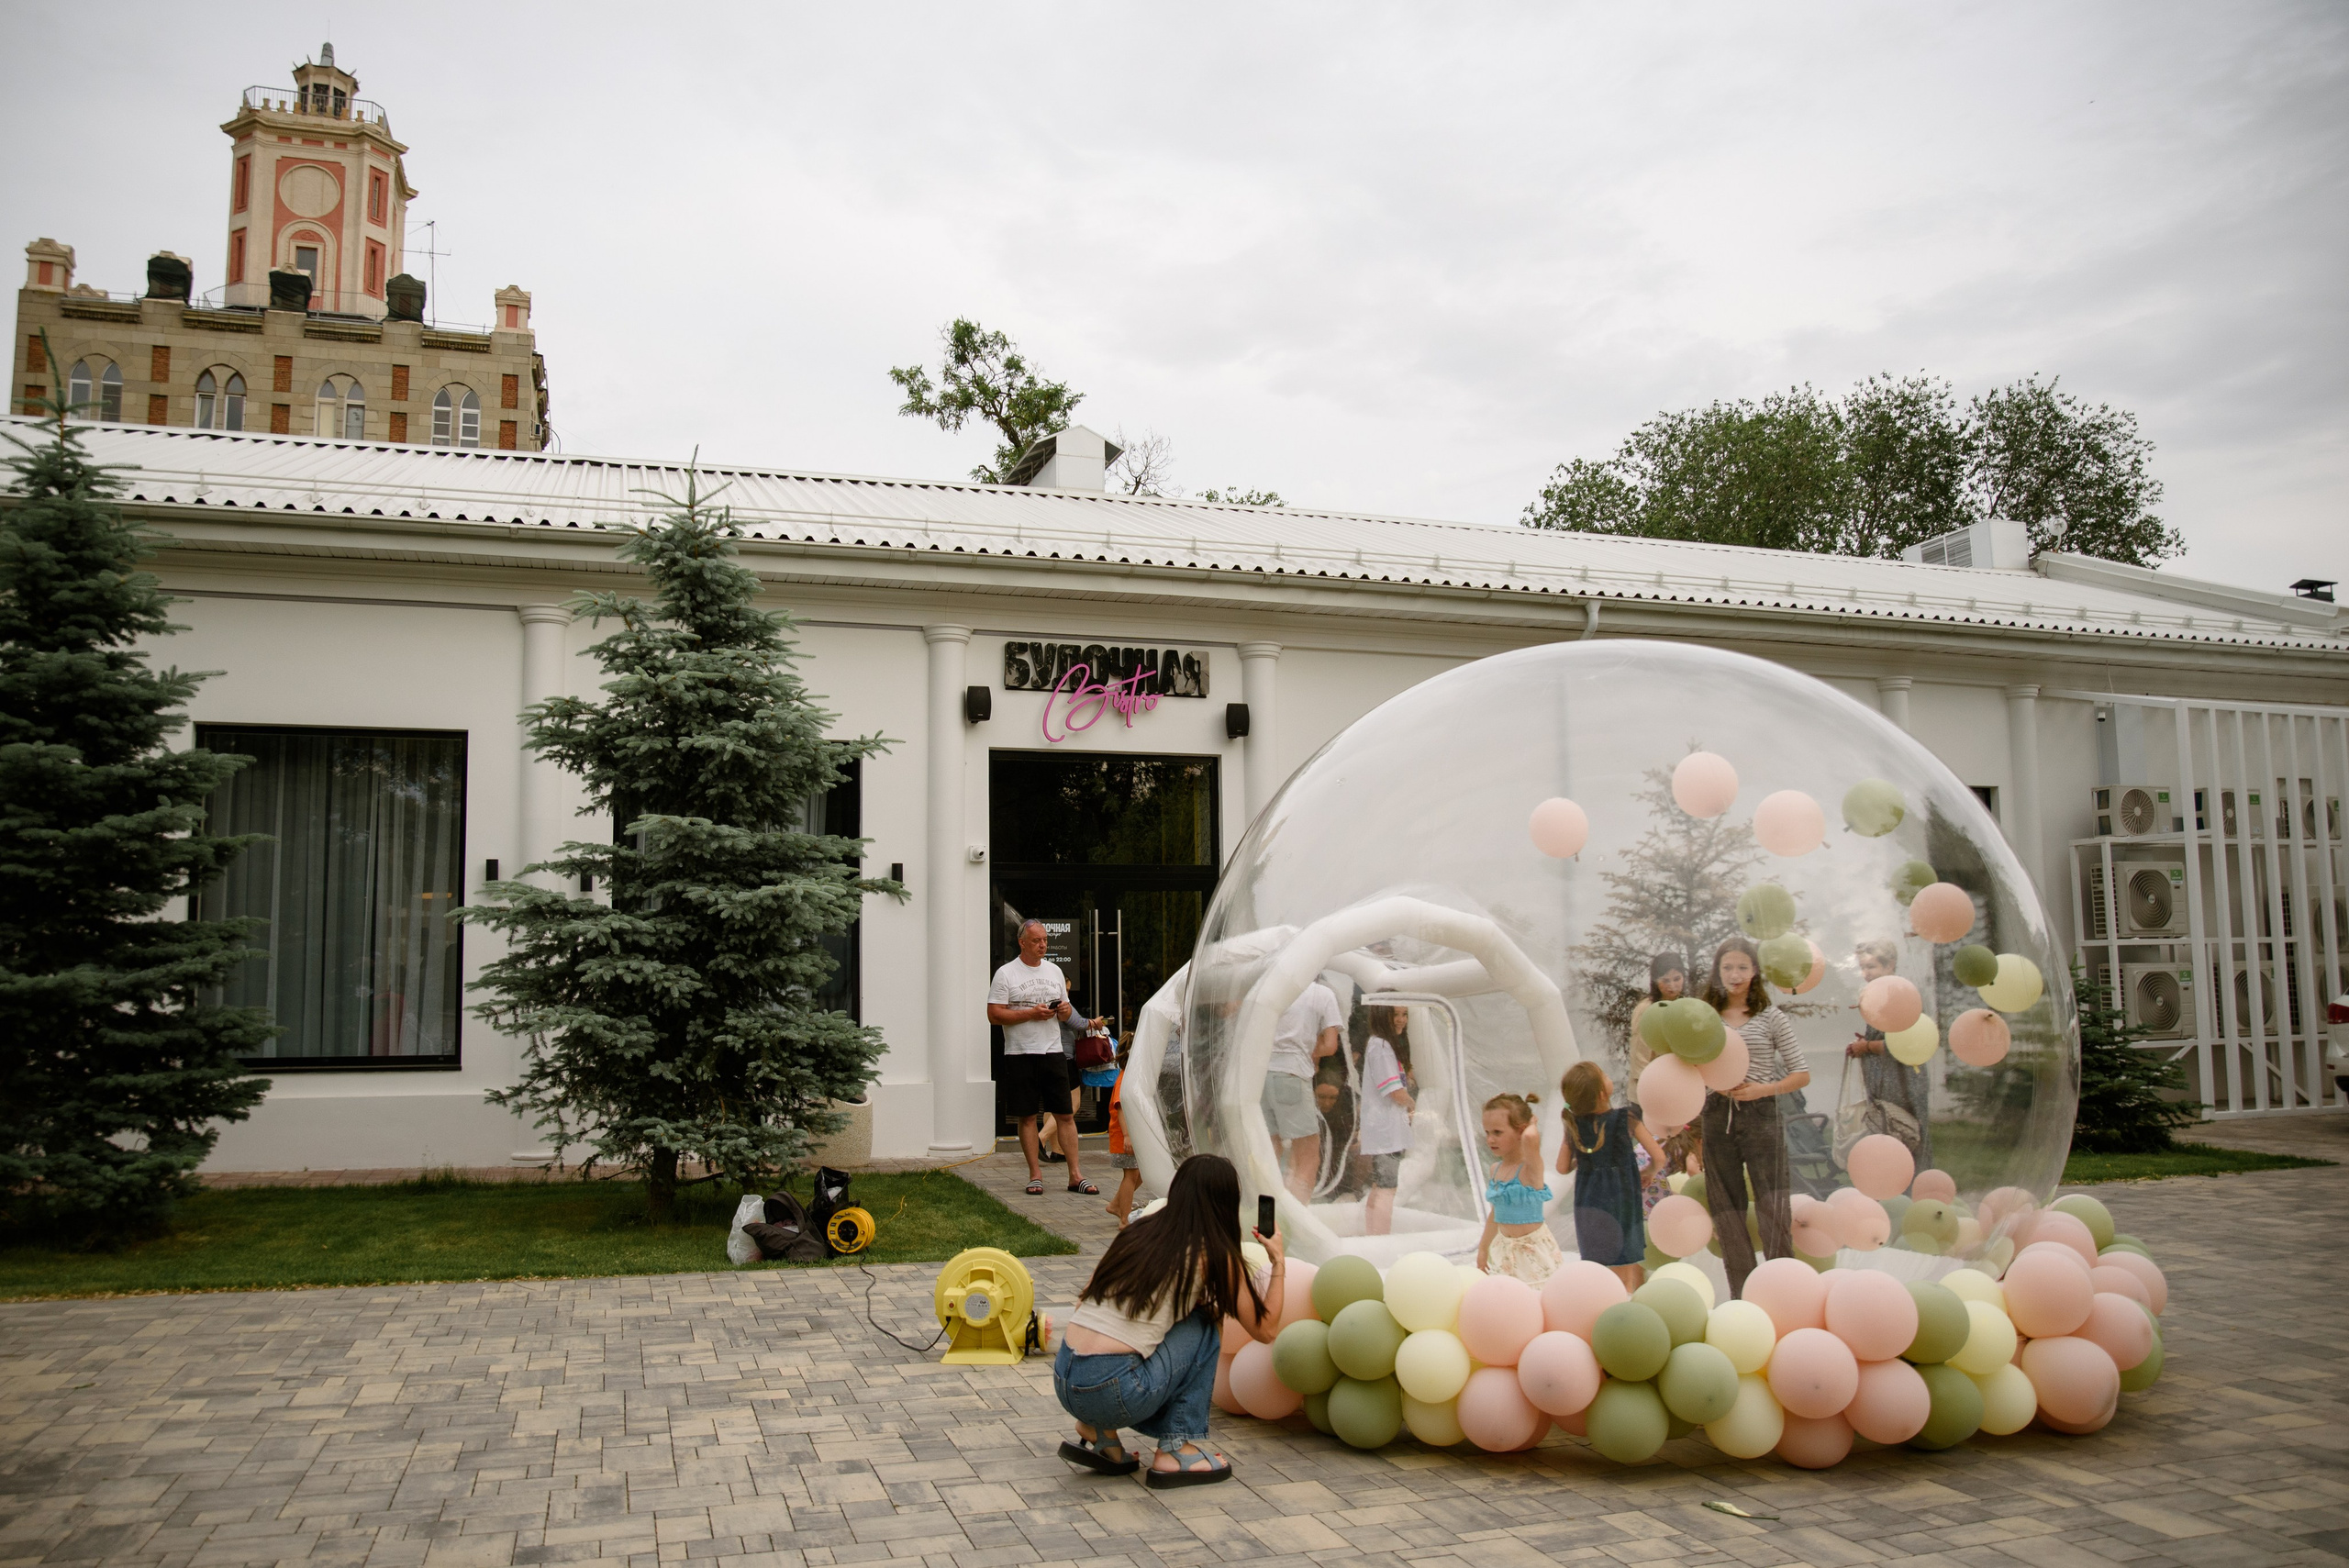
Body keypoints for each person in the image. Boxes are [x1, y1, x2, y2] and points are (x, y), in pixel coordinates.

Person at [1054, 1153, 1282, 1488]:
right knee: (1206, 1324)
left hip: (1065, 1378)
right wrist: (1278, 1261)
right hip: (1112, 1391)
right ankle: (1175, 1450)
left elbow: (1087, 1296)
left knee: (1165, 1322)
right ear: (1225, 1203)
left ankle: (1101, 1434)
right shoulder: (1211, 1253)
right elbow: (1266, 1329)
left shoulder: (1140, 1232)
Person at [1698, 936, 1811, 1296]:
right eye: (1727, 967)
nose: (1734, 975)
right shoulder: (1704, 1017)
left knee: (1772, 1205)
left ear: (1756, 971)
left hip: (1762, 1115)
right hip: (1717, 1115)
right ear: (1717, 971)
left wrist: (1761, 1089)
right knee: (1727, 1210)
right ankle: (1743, 1297)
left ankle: (1783, 1294)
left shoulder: (1770, 1016)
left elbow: (1801, 1073)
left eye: (1742, 967)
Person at [987, 918, 1096, 1197]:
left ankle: (1075, 1175)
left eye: (1045, 940)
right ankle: (1035, 1175)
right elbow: (994, 1014)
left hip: (1053, 1051)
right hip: (1020, 1053)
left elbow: (1067, 1010)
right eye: (1037, 940)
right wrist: (1030, 1014)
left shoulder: (1055, 971)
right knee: (1026, 1116)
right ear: (1022, 942)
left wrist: (1065, 1013)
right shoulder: (1006, 973)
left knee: (1065, 1114)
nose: (1043, 945)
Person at [1557, 1062, 1667, 1288]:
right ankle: (1622, 1307)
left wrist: (1584, 1158)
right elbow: (1659, 1157)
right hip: (1622, 1201)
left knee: (1596, 1267)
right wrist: (1648, 1172)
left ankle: (1598, 1305)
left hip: (1590, 1205)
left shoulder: (1574, 1126)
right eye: (1604, 1074)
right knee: (1623, 1267)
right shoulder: (1625, 1119)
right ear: (1601, 1093)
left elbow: (1561, 1167)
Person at [1846, 940, 1932, 1168]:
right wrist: (1866, 1043)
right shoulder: (1878, 995)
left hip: (1903, 1082)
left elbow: (1908, 1043)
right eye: (1862, 968)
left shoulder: (1902, 994)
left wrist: (1866, 1047)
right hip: (1884, 1082)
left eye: (1871, 967)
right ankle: (1890, 1194)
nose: (1865, 974)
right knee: (1886, 1142)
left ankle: (1913, 1192)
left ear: (1890, 965)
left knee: (1907, 1135)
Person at [1263, 980, 1343, 1201]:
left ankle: (1266, 1221)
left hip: (1261, 1075)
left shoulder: (1273, 986)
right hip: (1292, 1074)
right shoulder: (1322, 993)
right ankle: (1296, 1225)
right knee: (1308, 1156)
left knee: (1270, 1153)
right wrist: (1310, 1050)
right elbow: (1330, 1045)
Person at [1477, 1094, 1561, 1283]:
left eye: (1498, 1132)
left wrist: (1531, 1123)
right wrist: (1483, 1248)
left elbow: (1531, 1138)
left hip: (1533, 1251)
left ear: (1520, 1132)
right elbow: (1494, 1215)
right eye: (1487, 1133)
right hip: (1505, 1250)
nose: (1490, 1140)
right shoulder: (1495, 1170)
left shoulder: (1531, 1169)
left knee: (1535, 1298)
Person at [1359, 1019, 1415, 1234]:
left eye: (1405, 1014)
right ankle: (1381, 1239)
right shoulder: (1381, 1046)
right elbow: (1395, 1091)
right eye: (1396, 1014)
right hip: (1386, 1129)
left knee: (1380, 1185)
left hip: (1384, 1128)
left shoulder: (1380, 1044)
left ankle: (1374, 1236)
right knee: (1387, 1187)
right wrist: (1413, 1105)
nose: (1402, 1020)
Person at [1625, 951, 1689, 1087]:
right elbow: (1639, 1059)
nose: (1672, 985)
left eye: (1677, 979)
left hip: (1678, 1087)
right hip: (1650, 1088)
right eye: (1665, 980)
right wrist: (1654, 1088)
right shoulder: (1646, 1009)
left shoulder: (1687, 1006)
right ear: (1655, 981)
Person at [1105, 1056, 1144, 1227]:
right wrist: (1127, 1136)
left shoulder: (1129, 1077)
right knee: (1131, 1175)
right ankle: (1124, 1219)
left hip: (1132, 1135)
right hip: (1124, 1137)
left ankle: (1115, 1205)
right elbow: (1120, 1109)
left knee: (1142, 1172)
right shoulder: (1123, 1080)